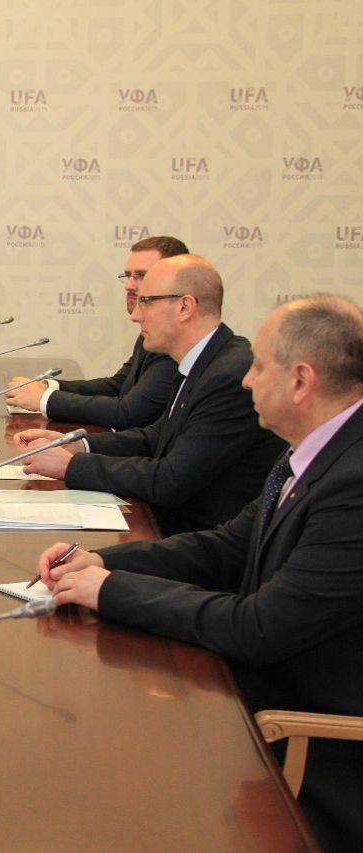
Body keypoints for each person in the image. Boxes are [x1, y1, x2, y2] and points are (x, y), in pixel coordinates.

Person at [32, 295, 363, 852]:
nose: (246, 380)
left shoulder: (353, 484)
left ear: (301, 381)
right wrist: (105, 561)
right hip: (258, 692)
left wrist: (112, 592)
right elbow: (228, 545)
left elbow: (259, 628)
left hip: (313, 741)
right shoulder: (313, 452)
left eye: (259, 367)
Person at [13, 254, 285, 535]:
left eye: (146, 302)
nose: (135, 315)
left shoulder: (227, 376)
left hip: (199, 539)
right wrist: (78, 445)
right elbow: (157, 436)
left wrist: (71, 466)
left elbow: (171, 480)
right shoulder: (205, 360)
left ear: (184, 307)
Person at [6, 235, 187, 428]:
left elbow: (130, 413)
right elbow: (120, 385)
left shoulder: (174, 341)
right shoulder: (152, 330)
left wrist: (45, 399)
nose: (128, 285)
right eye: (128, 276)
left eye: (141, 276)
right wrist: (48, 387)